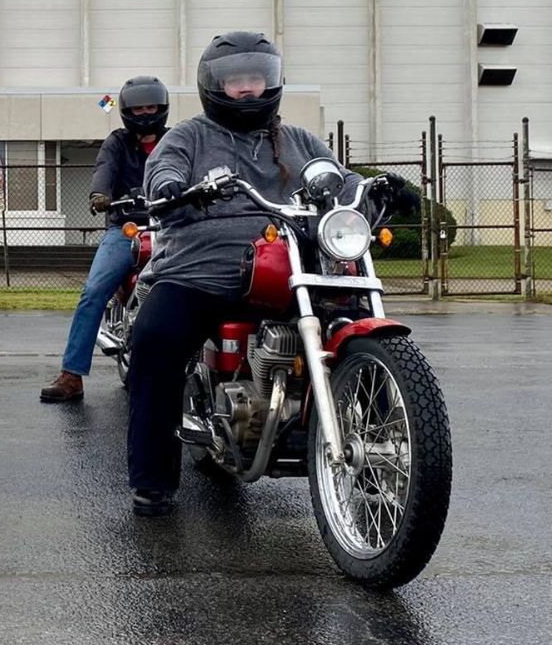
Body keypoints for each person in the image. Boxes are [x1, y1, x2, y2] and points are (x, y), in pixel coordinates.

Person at [125, 31, 420, 516]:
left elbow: (334, 178)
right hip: (200, 271)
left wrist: (374, 189)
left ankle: (384, 449)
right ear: (214, 86)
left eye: (257, 80)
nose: (247, 90)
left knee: (353, 321)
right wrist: (175, 187)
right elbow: (162, 174)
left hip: (291, 268)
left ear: (273, 82)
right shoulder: (188, 136)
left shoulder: (298, 140)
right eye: (236, 82)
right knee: (155, 341)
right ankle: (152, 482)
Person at [39, 76, 170, 403]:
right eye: (137, 108)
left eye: (150, 107)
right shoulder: (117, 142)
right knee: (94, 291)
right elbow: (104, 171)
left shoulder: (176, 141)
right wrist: (101, 194)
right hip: (126, 230)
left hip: (170, 227)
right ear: (126, 111)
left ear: (162, 108)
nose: (143, 113)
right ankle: (72, 375)